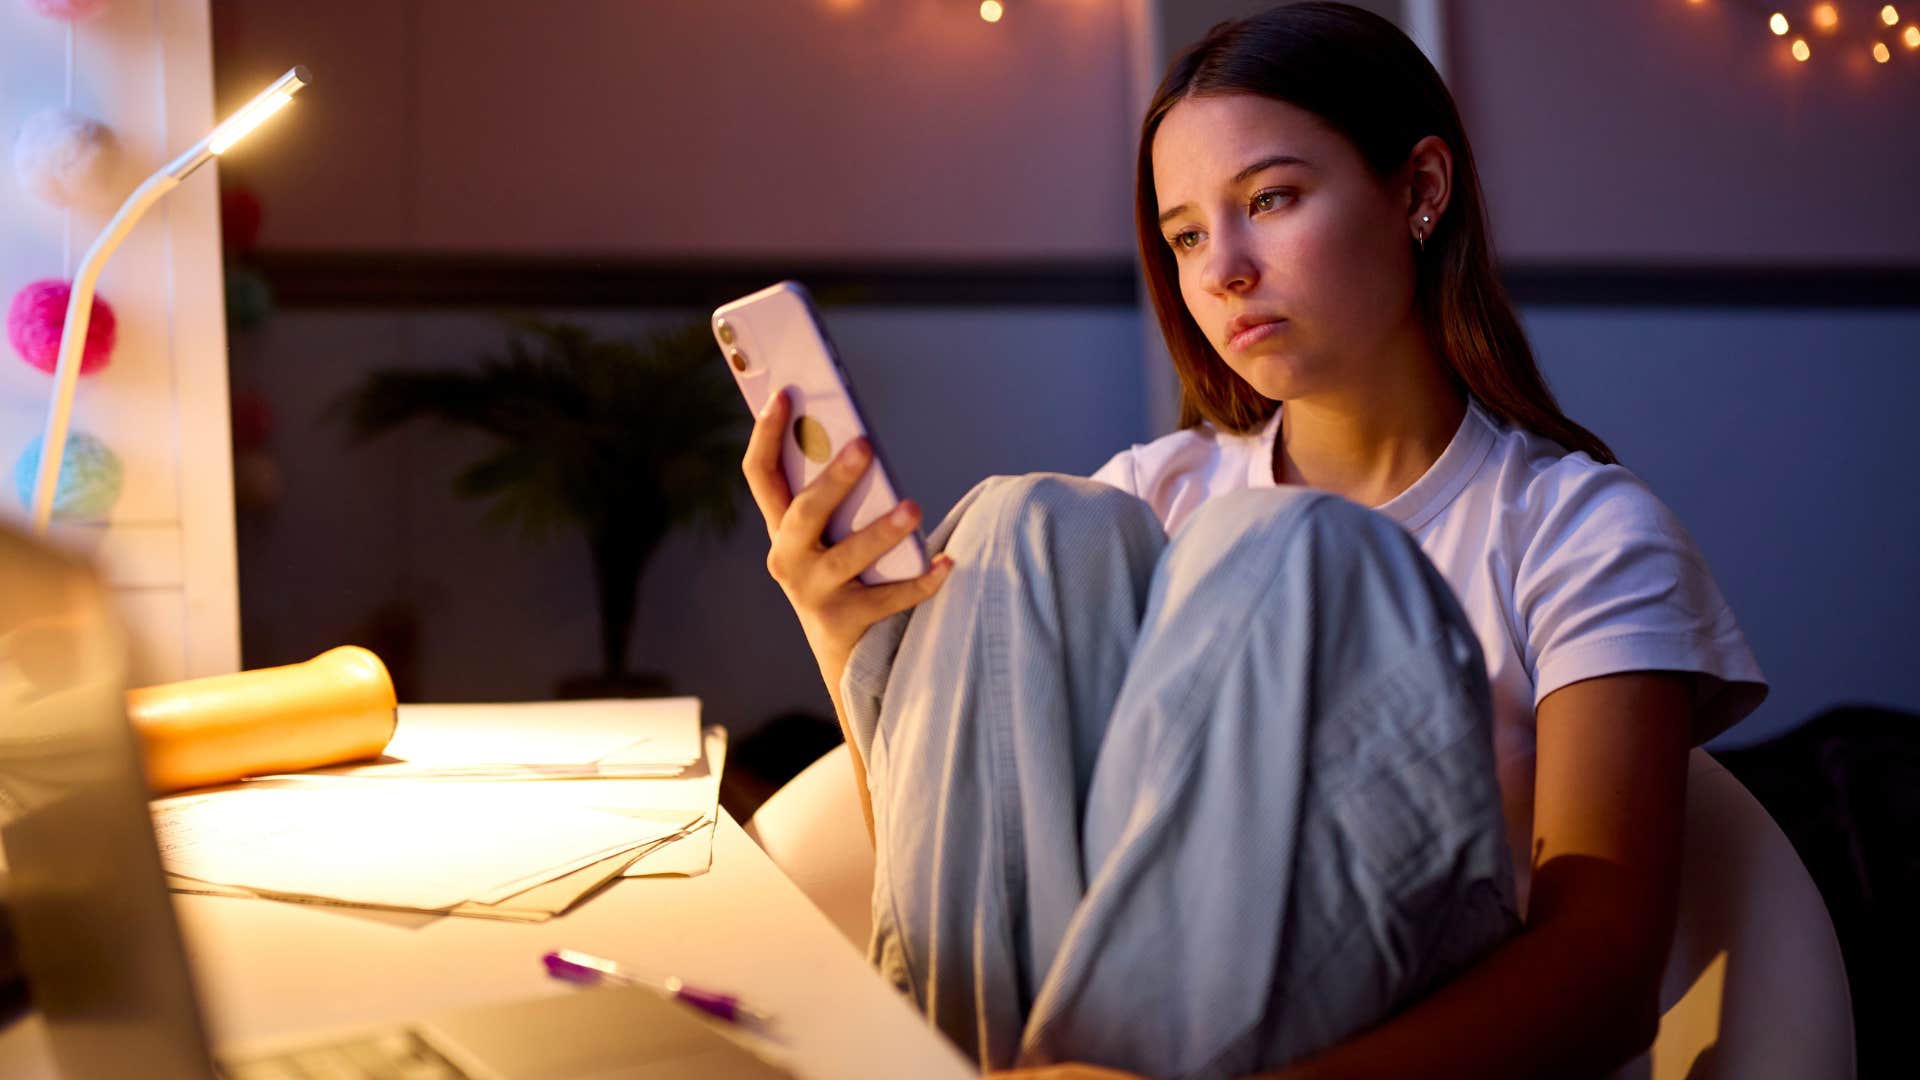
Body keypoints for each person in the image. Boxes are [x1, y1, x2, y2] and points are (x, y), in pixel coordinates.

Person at [741, 4, 1766, 1077]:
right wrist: (837, 629)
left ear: (1419, 191)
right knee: (1024, 521)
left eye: (1269, 199)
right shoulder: (1140, 499)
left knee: (1296, 553)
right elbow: (981, 874)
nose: (1222, 268)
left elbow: (1603, 980)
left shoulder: (1582, 531)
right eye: (1185, 234)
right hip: (1062, 1050)